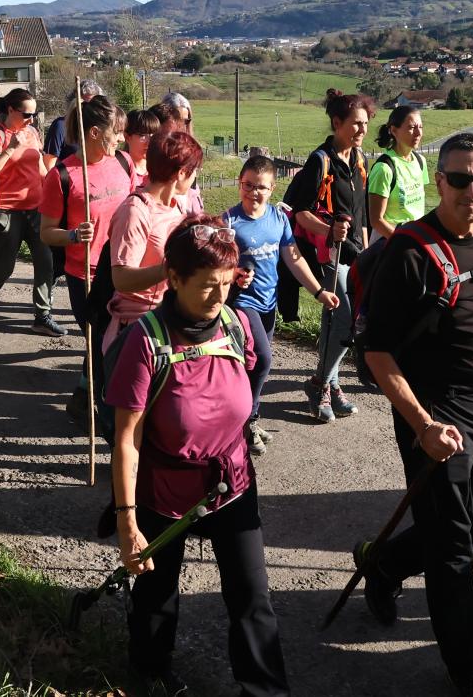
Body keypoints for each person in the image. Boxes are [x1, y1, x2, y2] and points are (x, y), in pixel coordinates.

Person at [358, 131, 473, 697]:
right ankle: (466, 666)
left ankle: (383, 563)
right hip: (436, 412)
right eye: (460, 179)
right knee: (452, 549)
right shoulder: (409, 252)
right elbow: (376, 351)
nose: (472, 192)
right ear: (438, 181)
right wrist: (421, 424)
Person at [106, 215, 290, 697]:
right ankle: (150, 671)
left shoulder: (238, 323)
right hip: (163, 490)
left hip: (230, 482)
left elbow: (251, 376)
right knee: (156, 596)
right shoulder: (144, 341)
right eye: (209, 286)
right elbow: (127, 438)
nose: (220, 296)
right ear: (175, 278)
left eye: (227, 284)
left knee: (253, 598)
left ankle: (266, 690)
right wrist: (128, 524)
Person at [223, 155, 339, 456]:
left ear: (272, 188)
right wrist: (233, 274)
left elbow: (294, 259)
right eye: (248, 185)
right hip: (240, 304)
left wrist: (319, 292)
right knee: (262, 360)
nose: (253, 192)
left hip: (268, 304)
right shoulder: (228, 223)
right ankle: (246, 423)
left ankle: (248, 417)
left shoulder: (277, 219)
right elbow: (215, 267)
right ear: (240, 184)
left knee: (252, 366)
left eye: (260, 187)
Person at [39, 94, 133, 421]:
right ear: (94, 133)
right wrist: (73, 235)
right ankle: (108, 418)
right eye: (116, 132)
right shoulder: (63, 176)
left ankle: (83, 396)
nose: (121, 138)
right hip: (86, 275)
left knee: (109, 341)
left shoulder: (123, 163)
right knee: (103, 340)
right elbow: (46, 231)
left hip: (122, 269)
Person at [282, 89, 372, 424]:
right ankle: (319, 383)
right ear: (337, 123)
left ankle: (330, 384)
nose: (361, 130)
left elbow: (361, 214)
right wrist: (328, 231)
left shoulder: (359, 161)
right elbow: (299, 212)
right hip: (322, 255)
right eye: (355, 124)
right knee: (346, 320)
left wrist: (364, 252)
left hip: (351, 255)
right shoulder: (319, 161)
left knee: (334, 321)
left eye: (364, 124)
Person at [102, 131, 203, 373]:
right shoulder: (135, 211)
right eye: (193, 170)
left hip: (170, 321)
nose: (196, 176)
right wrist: (167, 269)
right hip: (138, 330)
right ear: (180, 173)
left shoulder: (178, 206)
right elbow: (122, 278)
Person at [0, 87, 64, 337]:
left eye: (34, 114)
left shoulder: (32, 132)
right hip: (8, 210)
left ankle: (42, 315)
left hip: (37, 208)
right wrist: (10, 148)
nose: (31, 119)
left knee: (45, 262)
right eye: (27, 114)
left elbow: (40, 167)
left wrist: (55, 188)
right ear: (10, 110)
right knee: (5, 266)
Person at [368, 105, 429, 238]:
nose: (418, 133)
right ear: (394, 131)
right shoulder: (384, 168)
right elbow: (376, 220)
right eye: (412, 128)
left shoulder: (420, 161)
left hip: (415, 238)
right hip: (389, 243)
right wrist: (402, 242)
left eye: (421, 127)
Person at [43, 79, 102, 167]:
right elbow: (49, 163)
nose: (90, 108)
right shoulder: (61, 125)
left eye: (94, 104)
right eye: (85, 104)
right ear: (73, 103)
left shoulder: (98, 128)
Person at [122, 108, 159, 183]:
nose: (150, 141)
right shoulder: (119, 171)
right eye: (143, 135)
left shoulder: (160, 169)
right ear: (127, 137)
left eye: (154, 135)